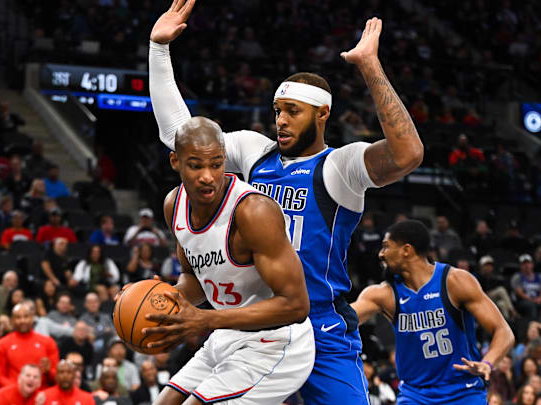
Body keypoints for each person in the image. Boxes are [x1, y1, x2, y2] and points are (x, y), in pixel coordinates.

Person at [150, 5, 423, 404]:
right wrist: (158, 49)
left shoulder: (338, 166)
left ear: (323, 113)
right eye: (277, 110)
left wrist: (369, 67)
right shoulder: (255, 152)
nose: (280, 120)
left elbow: (408, 154)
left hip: (320, 323)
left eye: (293, 112)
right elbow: (183, 136)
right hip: (259, 323)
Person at [141, 116, 314, 404]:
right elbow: (195, 279)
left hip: (278, 342)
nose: (208, 176)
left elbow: (296, 306)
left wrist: (204, 319)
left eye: (217, 164)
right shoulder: (174, 205)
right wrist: (159, 301)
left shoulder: (253, 212)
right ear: (175, 161)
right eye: (196, 166)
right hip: (228, 332)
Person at [350, 220, 515, 404]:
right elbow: (341, 321)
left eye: (386, 247)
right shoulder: (383, 294)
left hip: (463, 392)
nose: (381, 254)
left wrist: (487, 363)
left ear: (406, 250)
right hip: (415, 395)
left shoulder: (454, 281)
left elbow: (504, 331)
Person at [0, 303, 58, 388]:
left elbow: (56, 376)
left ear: (32, 318)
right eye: (18, 317)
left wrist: (48, 372)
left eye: (26, 316)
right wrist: (18, 390)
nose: (22, 320)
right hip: (13, 394)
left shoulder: (48, 342)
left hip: (42, 395)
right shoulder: (2, 344)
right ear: (12, 320)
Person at [511, 254, 541, 320]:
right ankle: (534, 323)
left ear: (532, 264)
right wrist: (531, 299)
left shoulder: (540, 277)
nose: (526, 265)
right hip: (524, 300)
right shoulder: (517, 277)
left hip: (538, 299)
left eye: (528, 263)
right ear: (520, 266)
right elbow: (519, 292)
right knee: (531, 305)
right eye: (524, 264)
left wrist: (540, 299)